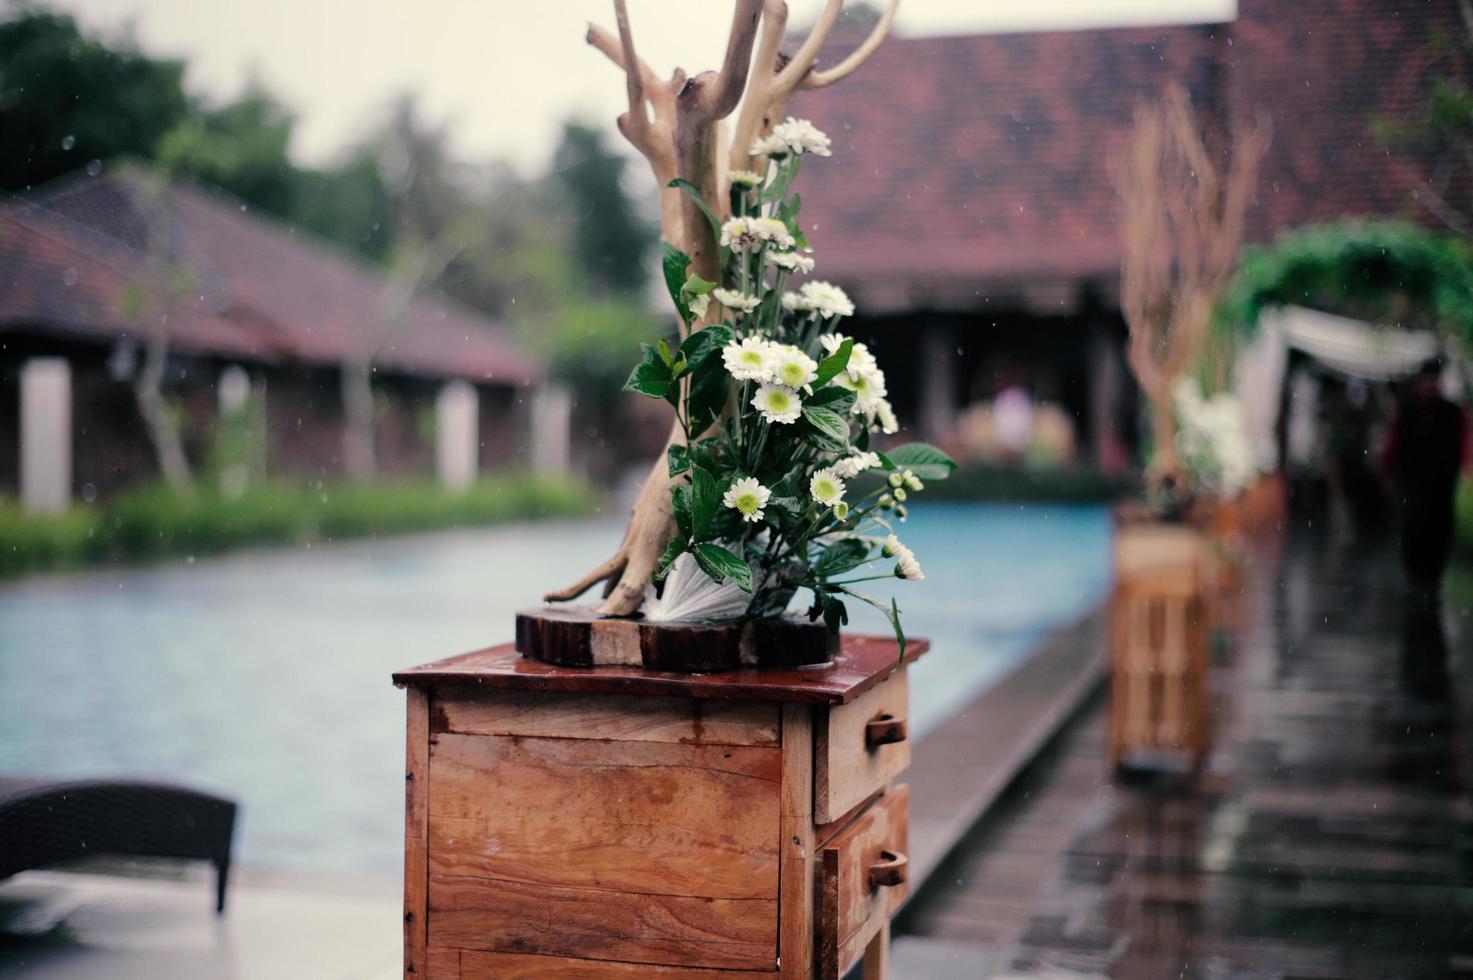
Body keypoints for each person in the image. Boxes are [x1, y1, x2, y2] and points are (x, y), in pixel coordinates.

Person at [1383, 358, 1468, 596]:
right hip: (1414, 485)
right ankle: (1417, 579)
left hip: (1439, 485)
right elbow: (1395, 446)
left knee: (1436, 531)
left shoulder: (1450, 413)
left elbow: (1459, 448)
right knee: (1414, 529)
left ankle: (1428, 580)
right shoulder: (1410, 411)